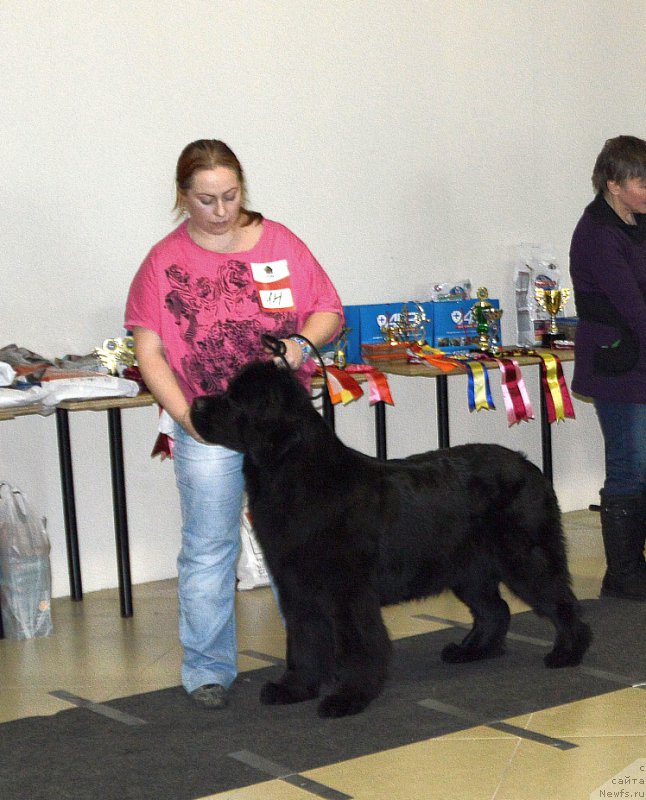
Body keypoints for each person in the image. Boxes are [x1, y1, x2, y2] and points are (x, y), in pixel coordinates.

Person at [125, 139, 343, 707]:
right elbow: (149, 352)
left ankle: (319, 659)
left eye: (230, 196)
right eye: (205, 200)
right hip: (211, 426)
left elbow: (329, 311)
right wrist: (185, 417)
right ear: (182, 198)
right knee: (209, 548)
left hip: (285, 430)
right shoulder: (162, 261)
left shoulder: (281, 242)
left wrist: (301, 343)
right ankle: (207, 671)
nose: (220, 211)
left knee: (308, 544)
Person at [569, 134, 646, 601]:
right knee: (629, 466)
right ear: (614, 184)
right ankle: (621, 575)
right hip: (616, 362)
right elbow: (633, 307)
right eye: (641, 181)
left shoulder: (638, 221)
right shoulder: (597, 232)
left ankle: (635, 565)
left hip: (639, 357)